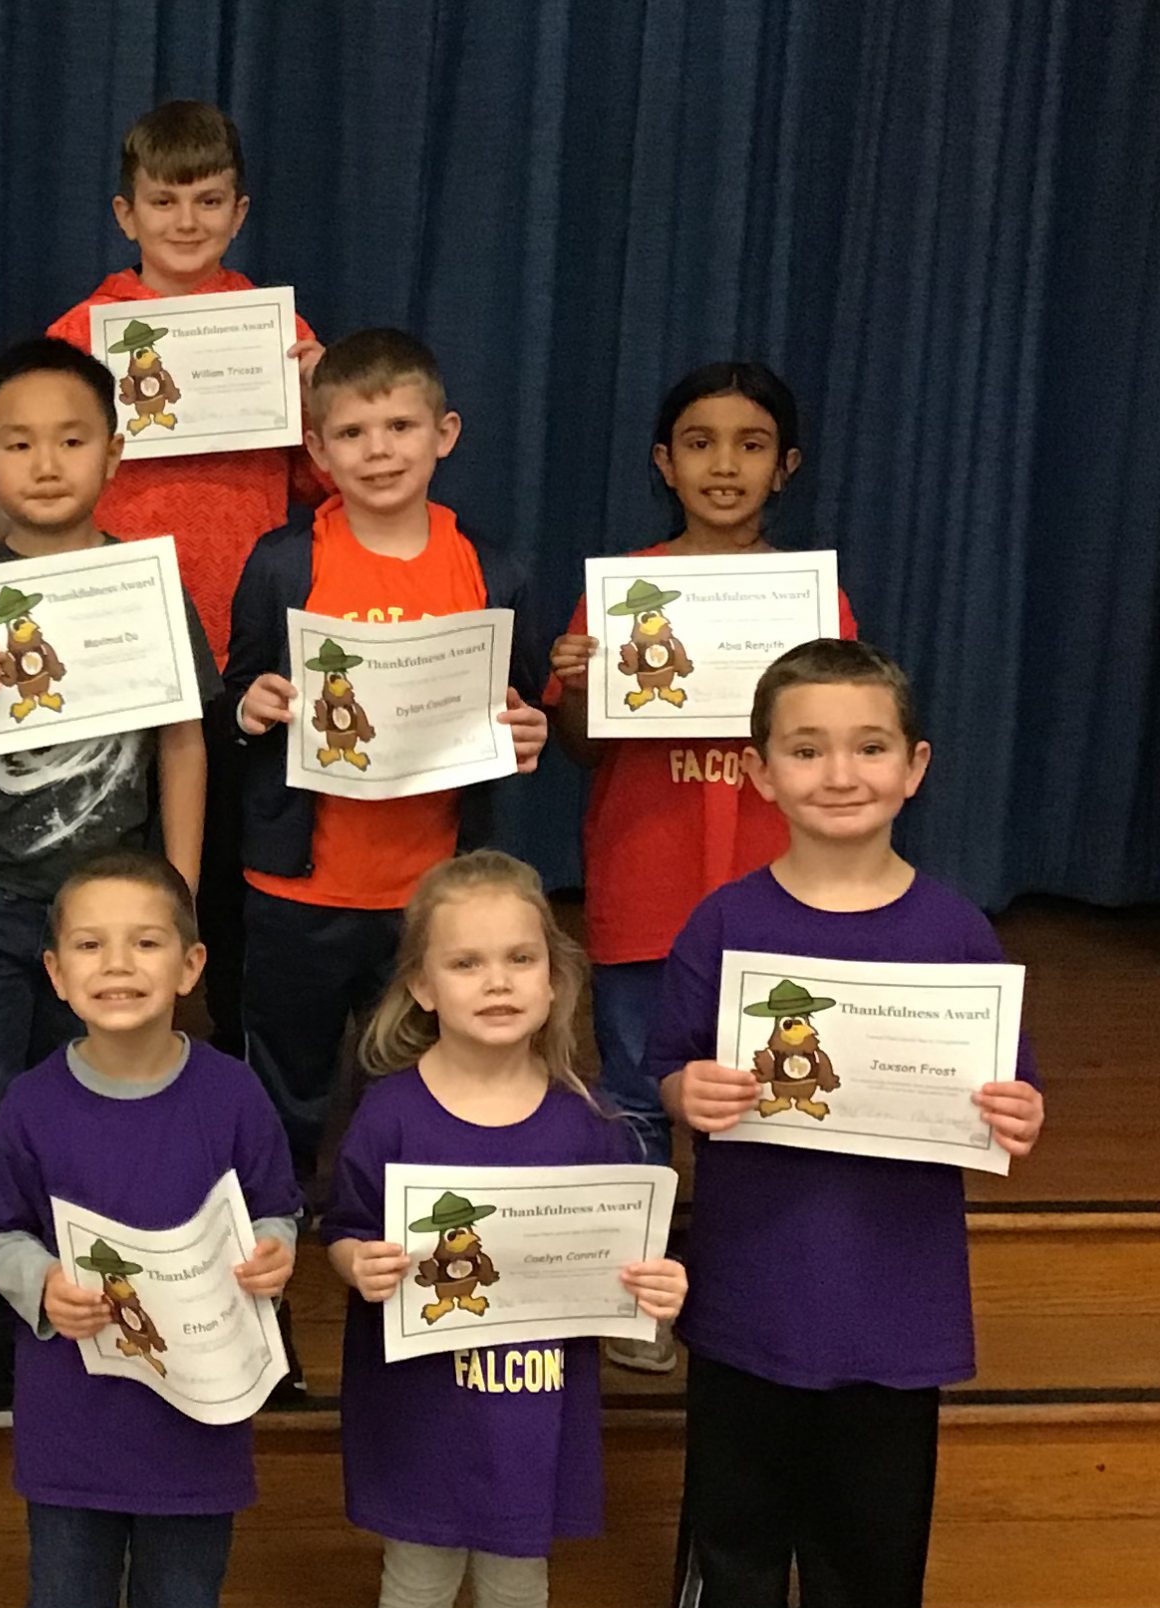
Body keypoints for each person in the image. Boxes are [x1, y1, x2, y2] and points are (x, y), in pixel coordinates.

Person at [650, 640, 1043, 1608]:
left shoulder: (956, 930)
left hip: (898, 1297)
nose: (839, 772)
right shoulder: (725, 921)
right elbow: (661, 1070)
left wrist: (1016, 1112)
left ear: (913, 766)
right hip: (754, 1292)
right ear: (758, 771)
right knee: (740, 1522)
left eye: (868, 746)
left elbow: (1004, 1089)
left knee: (876, 1530)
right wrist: (690, 1092)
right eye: (807, 748)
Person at [320, 850, 685, 1608]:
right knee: (419, 1573)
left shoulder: (591, 1126)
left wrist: (653, 1297)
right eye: (467, 961)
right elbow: (342, 1229)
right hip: (418, 1405)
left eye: (519, 957)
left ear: (555, 978)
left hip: (534, 1404)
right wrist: (360, 1261)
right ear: (421, 986)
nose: (496, 981)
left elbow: (627, 1288)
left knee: (520, 1576)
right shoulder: (390, 1113)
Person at [0, 850, 298, 1608]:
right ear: (55, 972)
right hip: (74, 1423)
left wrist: (276, 1254)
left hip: (201, 1420)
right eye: (92, 945)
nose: (119, 964)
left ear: (191, 963)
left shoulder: (233, 1092)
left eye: (146, 941)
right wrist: (37, 1288)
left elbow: (279, 1209)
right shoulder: (30, 1103)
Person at [0, 336, 216, 1429]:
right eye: (18, 442)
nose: (45, 462)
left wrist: (175, 895)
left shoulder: (147, 586)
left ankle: (108, 1313)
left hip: (116, 920)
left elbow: (183, 742)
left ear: (114, 453)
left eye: (72, 439)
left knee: (104, 1111)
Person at [542, 362, 857, 1374]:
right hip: (645, 892)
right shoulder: (619, 591)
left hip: (779, 898)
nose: (724, 464)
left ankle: (746, 1292)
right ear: (662, 464)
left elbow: (841, 745)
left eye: (751, 443)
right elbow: (583, 748)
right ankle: (638, 1295)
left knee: (763, 1096)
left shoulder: (815, 602)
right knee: (636, 1094)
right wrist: (578, 684)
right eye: (699, 442)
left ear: (786, 467)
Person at [227, 328, 548, 1231]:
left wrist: (530, 732)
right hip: (299, 883)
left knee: (414, 1084)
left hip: (433, 891)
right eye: (355, 433)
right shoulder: (284, 562)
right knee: (285, 1082)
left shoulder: (494, 570)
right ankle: (274, 1241)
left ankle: (401, 1238)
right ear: (318, 450)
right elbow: (235, 689)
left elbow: (521, 714)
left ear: (444, 433)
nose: (379, 451)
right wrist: (251, 706)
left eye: (400, 427)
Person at [48, 100, 324, 1051]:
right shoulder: (82, 331)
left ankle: (222, 1072)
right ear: (126, 215)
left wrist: (316, 395)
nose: (187, 221)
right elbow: (35, 475)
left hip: (239, 648)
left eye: (209, 201)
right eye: (164, 201)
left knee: (229, 885)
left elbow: (325, 483)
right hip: (114, 641)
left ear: (239, 212)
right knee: (107, 870)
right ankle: (91, 1066)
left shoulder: (276, 333)